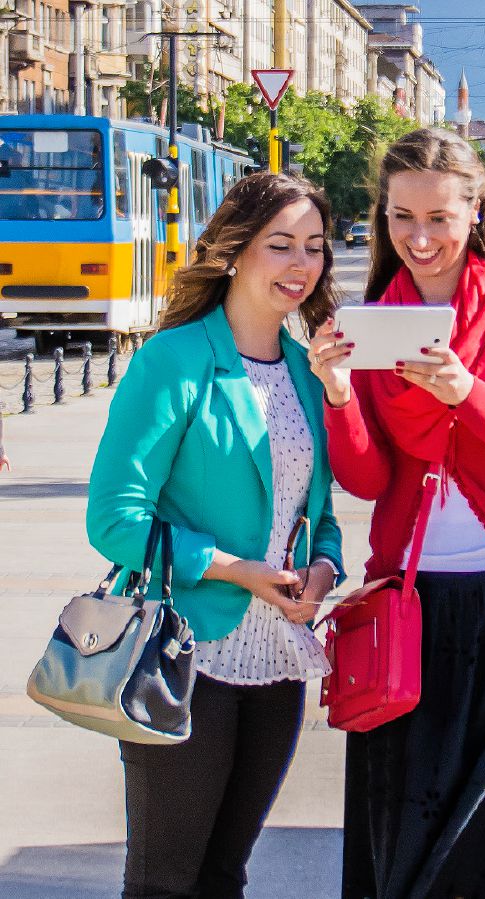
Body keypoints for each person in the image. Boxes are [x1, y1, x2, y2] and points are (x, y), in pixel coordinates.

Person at [309, 127, 485, 899]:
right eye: (402, 217)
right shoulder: (373, 317)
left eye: (439, 217)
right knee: (409, 848)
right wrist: (338, 393)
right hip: (410, 613)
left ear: (476, 210)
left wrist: (472, 397)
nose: (421, 237)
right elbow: (368, 479)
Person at [87, 172, 345, 899]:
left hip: (277, 660)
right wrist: (235, 568)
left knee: (225, 874)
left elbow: (319, 513)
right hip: (182, 653)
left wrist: (324, 568)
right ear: (235, 250)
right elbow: (112, 516)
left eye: (315, 248)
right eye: (281, 245)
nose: (302, 265)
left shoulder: (305, 369)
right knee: (166, 880)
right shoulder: (173, 359)